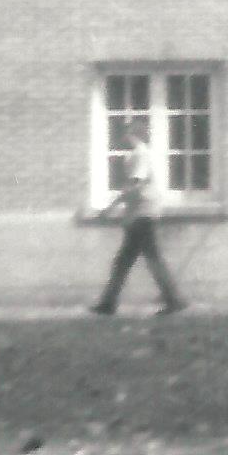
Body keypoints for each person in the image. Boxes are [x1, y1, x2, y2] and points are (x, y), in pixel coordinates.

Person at [90, 116, 187, 316]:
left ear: (132, 134)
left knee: (144, 259)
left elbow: (135, 185)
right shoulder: (141, 154)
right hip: (141, 213)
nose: (123, 136)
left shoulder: (140, 154)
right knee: (130, 259)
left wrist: (110, 208)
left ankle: (173, 300)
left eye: (127, 132)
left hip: (142, 213)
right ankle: (109, 302)